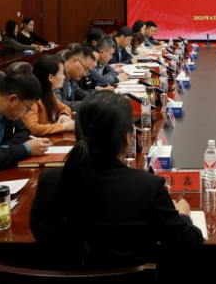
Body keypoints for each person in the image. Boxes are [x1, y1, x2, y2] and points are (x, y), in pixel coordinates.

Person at [30, 91, 203, 271]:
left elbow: (38, 231)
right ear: (128, 138)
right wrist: (183, 215)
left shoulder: (49, 181)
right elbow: (188, 242)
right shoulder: (148, 188)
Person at [23, 55, 75, 136]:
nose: (64, 77)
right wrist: (63, 127)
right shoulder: (32, 99)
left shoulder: (49, 93)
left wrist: (63, 115)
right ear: (50, 77)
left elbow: (65, 108)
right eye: (62, 73)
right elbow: (33, 128)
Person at [56, 43, 98, 112]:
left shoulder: (71, 78)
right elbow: (58, 104)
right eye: (86, 68)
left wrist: (98, 99)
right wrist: (88, 104)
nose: (85, 74)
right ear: (74, 61)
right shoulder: (56, 75)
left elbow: (80, 93)